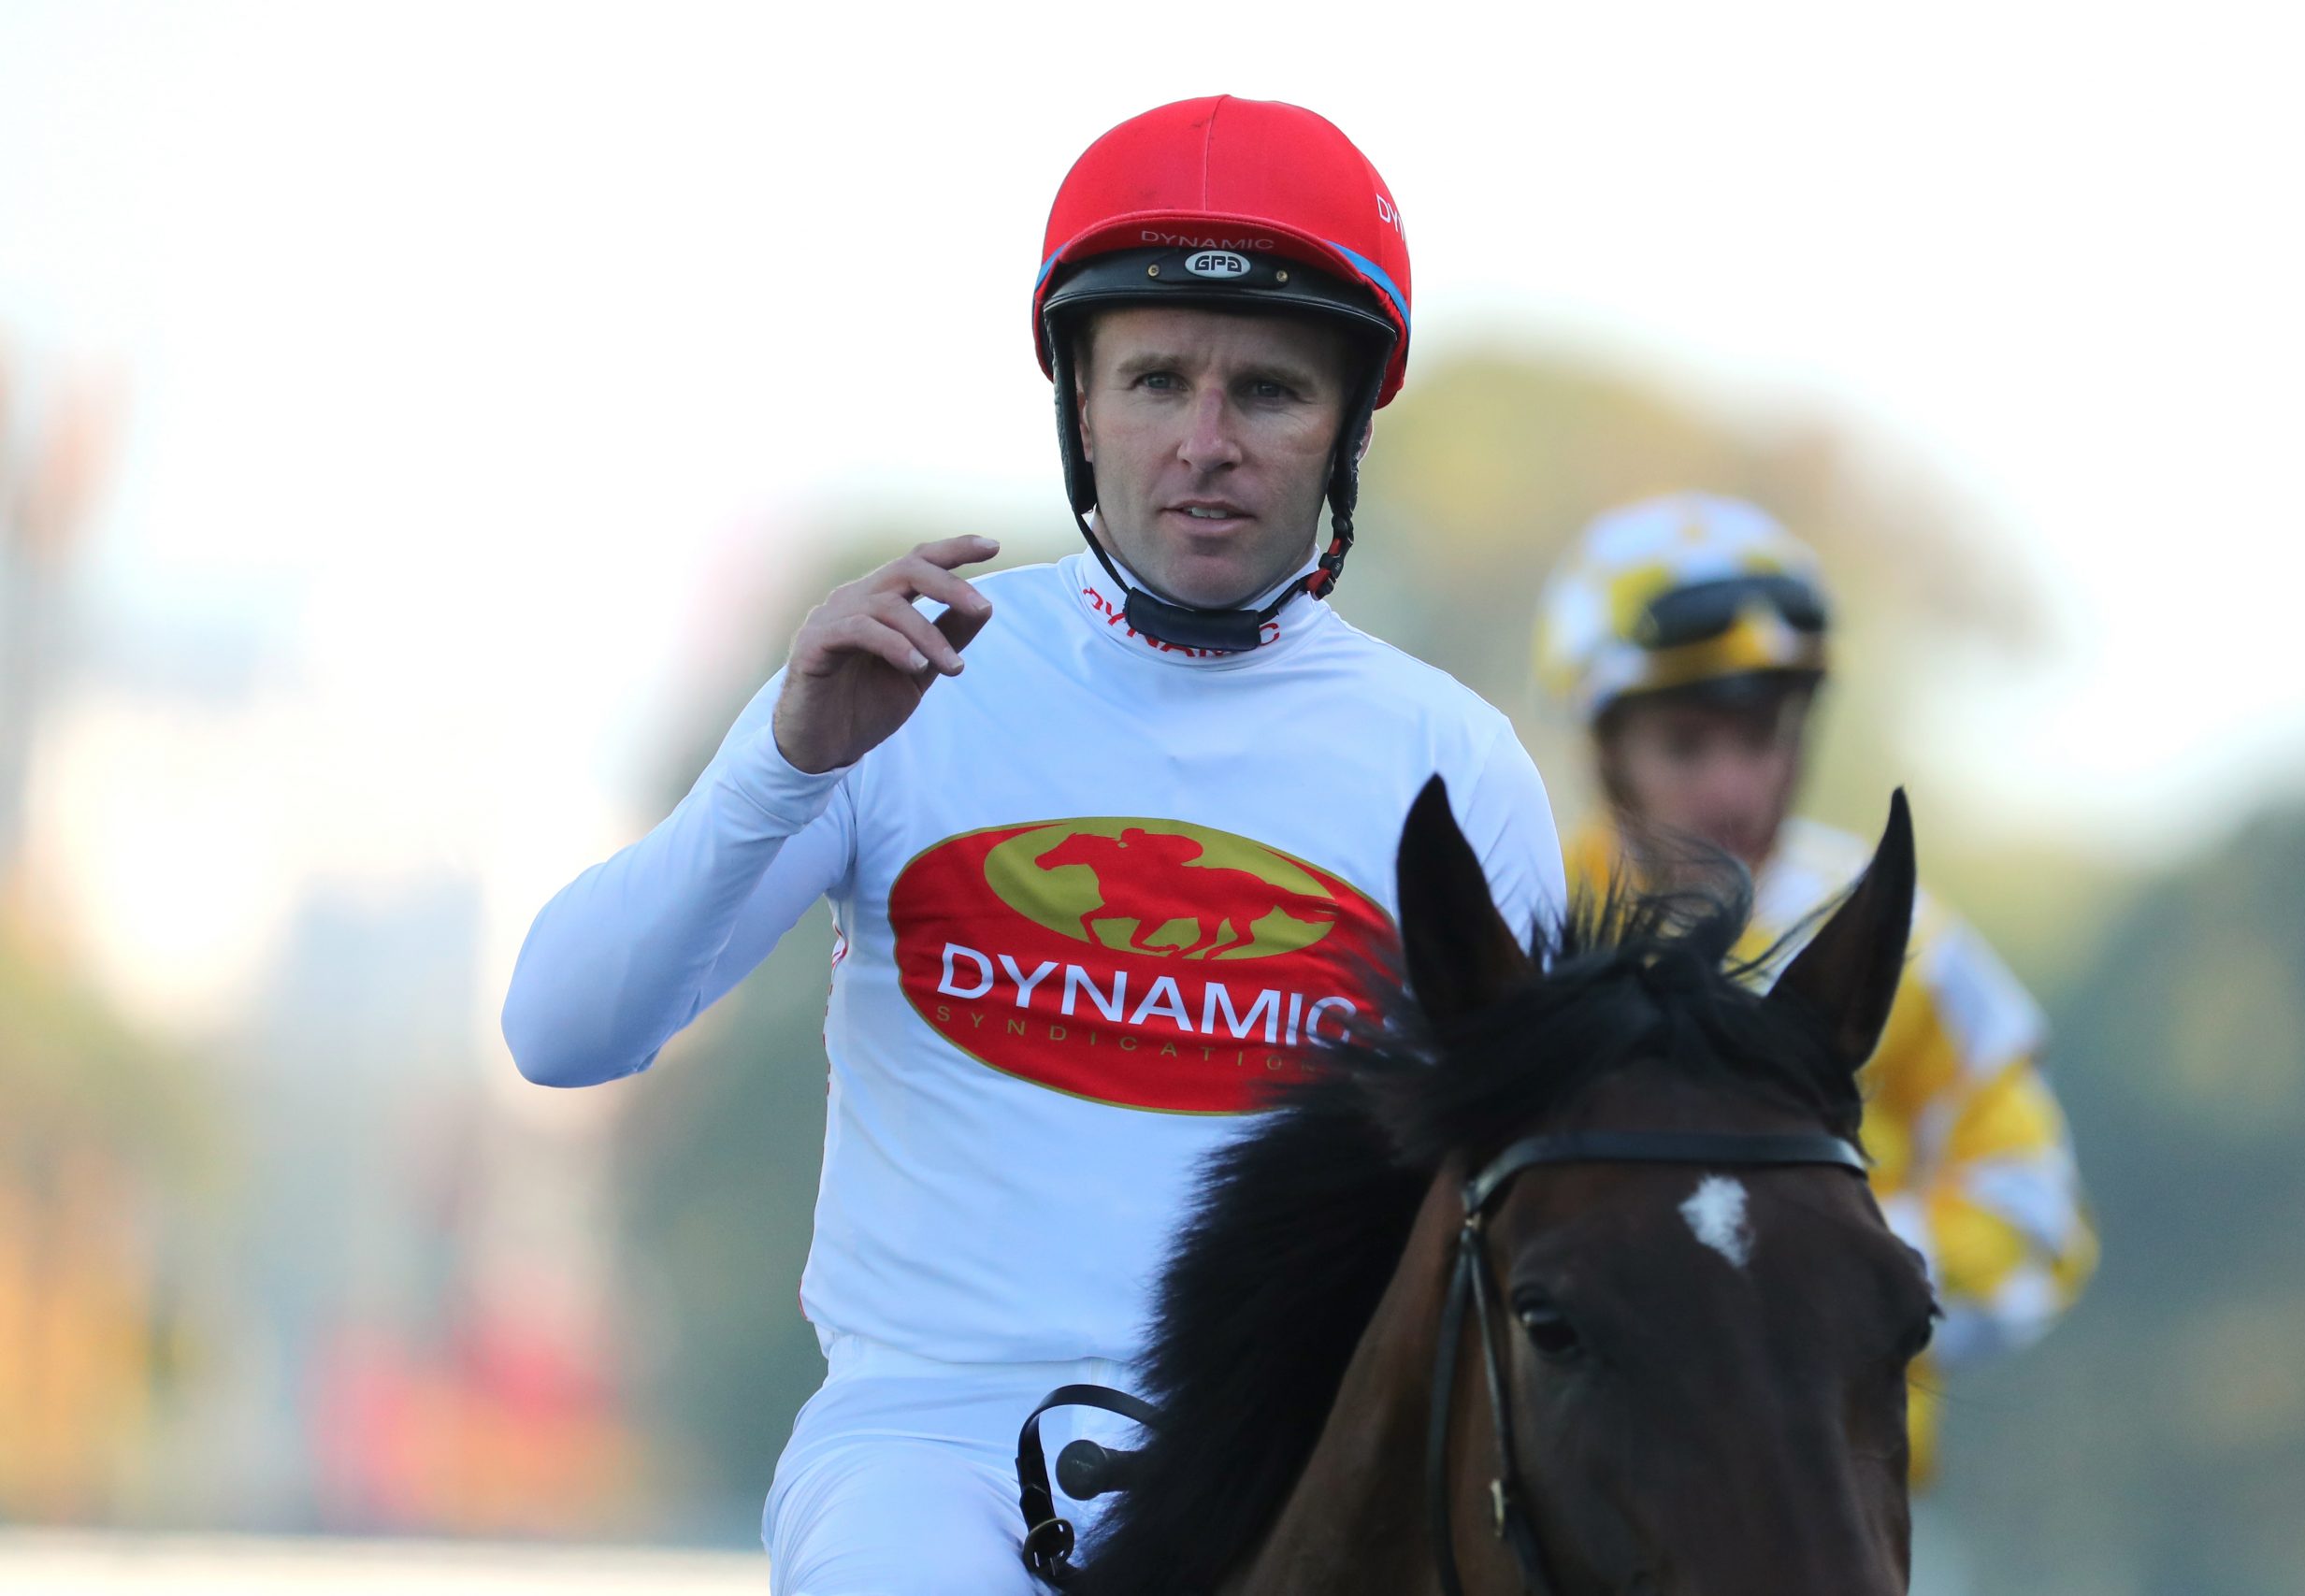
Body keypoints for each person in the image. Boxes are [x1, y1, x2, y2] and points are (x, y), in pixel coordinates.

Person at [502, 96, 1564, 1595]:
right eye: (1154, 380)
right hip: (930, 1445)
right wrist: (786, 760)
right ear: (1079, 402)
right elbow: (562, 1030)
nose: (1204, 444)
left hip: (1302, 1460)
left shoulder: (1451, 760)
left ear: (1349, 427)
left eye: (1267, 389)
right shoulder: (901, 682)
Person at [1533, 491, 2098, 1481]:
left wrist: (1817, 1265)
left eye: (1765, 737)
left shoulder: (1906, 937)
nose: (1737, 789)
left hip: (1834, 1498)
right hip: (1582, 1499)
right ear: (1604, 750)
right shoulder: (1527, 918)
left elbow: (2035, 1217)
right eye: (1686, 744)